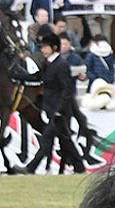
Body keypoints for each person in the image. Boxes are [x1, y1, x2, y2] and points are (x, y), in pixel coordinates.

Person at [9, 33, 88, 174]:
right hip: (52, 109)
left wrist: (60, 110)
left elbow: (67, 90)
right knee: (66, 141)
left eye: (45, 47)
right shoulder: (48, 64)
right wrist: (17, 75)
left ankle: (31, 168)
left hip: (60, 111)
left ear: (54, 47)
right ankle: (80, 167)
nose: (43, 50)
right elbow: (37, 77)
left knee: (46, 139)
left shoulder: (61, 64)